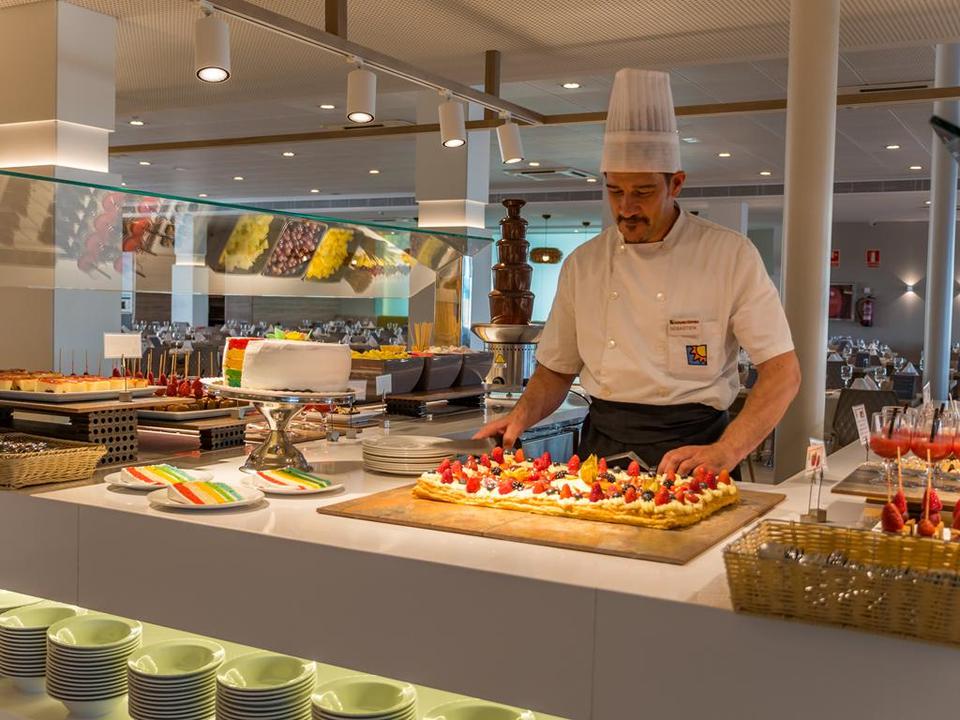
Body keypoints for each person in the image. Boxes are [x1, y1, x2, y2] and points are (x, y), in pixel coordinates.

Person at [475, 68, 801, 476]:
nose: (626, 207)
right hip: (602, 450)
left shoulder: (730, 255)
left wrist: (727, 450)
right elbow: (557, 369)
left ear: (676, 184)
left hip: (696, 453)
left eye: (643, 192)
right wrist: (520, 417)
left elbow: (783, 373)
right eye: (615, 191)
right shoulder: (584, 263)